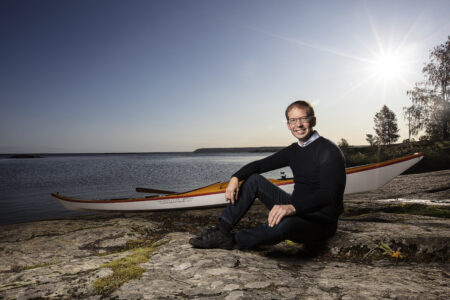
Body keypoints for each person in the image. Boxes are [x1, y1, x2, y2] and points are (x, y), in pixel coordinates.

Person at [189, 100, 346, 250]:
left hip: (320, 221)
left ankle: (234, 240)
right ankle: (221, 230)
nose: (298, 125)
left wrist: (292, 207)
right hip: (296, 208)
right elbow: (259, 165)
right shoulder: (294, 150)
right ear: (288, 125)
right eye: (293, 120)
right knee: (254, 180)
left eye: (303, 119)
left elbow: (329, 195)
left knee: (285, 226)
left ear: (313, 121)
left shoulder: (329, 151)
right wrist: (235, 177)